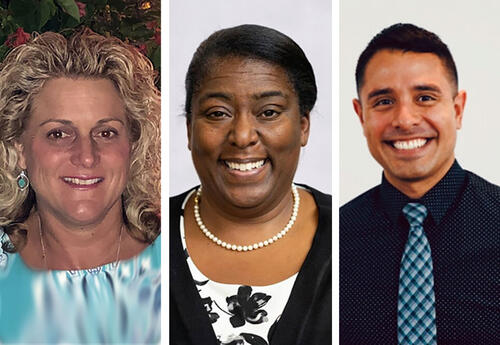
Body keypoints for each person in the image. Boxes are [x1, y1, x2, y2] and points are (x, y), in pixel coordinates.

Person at [170, 24, 331, 345]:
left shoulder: (350, 239)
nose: (243, 136)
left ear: (303, 125)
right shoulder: (145, 237)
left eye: (268, 112)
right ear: (189, 128)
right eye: (218, 113)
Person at [340, 23, 500, 345]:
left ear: (457, 110)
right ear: (361, 116)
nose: (405, 119)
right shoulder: (334, 239)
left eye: (425, 97)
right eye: (384, 102)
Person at [0, 28, 161, 343]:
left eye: (106, 132)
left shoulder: (181, 266)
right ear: (20, 150)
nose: (86, 157)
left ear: (133, 147)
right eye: (59, 133)